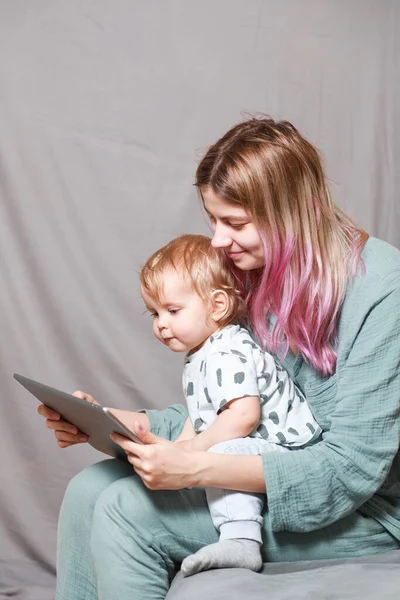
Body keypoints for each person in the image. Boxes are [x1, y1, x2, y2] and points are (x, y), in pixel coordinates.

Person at [38, 116, 400, 600]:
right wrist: (110, 423)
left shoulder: (383, 290)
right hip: (264, 463)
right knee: (89, 489)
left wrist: (193, 468)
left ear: (293, 212)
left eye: (235, 223)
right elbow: (228, 417)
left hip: (364, 509)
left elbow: (348, 470)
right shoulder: (258, 272)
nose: (217, 241)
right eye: (213, 219)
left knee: (125, 508)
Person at [139, 233, 322, 576]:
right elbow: (203, 415)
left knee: (228, 449)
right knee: (218, 447)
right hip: (263, 447)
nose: (161, 324)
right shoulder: (203, 352)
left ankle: (241, 541)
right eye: (154, 312)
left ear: (218, 306)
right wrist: (177, 448)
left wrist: (192, 453)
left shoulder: (227, 349)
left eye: (173, 310)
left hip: (295, 454)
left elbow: (242, 417)